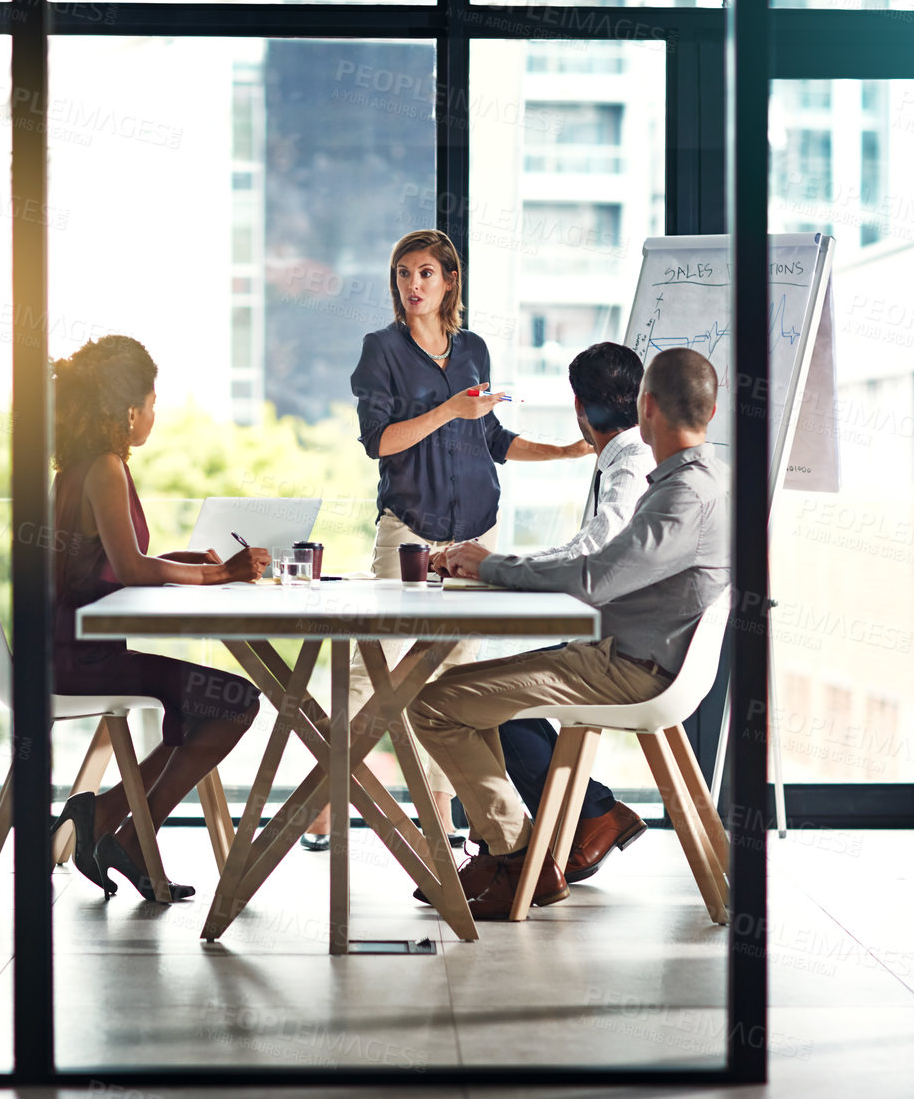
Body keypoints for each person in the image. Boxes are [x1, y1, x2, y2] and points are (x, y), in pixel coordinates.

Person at [409, 347, 730, 920]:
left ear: (646, 405)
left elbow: (595, 576)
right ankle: (520, 847)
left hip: (629, 666)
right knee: (469, 690)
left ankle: (518, 855)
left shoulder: (681, 496)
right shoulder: (712, 481)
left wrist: (488, 565)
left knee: (435, 703)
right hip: (639, 656)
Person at [298, 228, 592, 852]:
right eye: (404, 274)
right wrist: (446, 411)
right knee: (367, 668)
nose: (413, 285)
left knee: (449, 677)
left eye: (425, 273)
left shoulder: (473, 350)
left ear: (450, 280)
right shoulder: (380, 350)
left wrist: (567, 450)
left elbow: (493, 439)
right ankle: (323, 800)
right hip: (408, 532)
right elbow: (380, 441)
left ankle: (440, 821)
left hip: (475, 539)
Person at [48, 335, 271, 902]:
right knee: (234, 701)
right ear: (129, 410)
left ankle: (109, 818)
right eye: (152, 402)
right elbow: (129, 567)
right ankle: (122, 832)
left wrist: (179, 562)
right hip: (82, 661)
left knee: (216, 700)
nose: (154, 414)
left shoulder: (84, 465)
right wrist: (224, 575)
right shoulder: (104, 467)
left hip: (75, 651)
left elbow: (116, 564)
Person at [430, 341, 652, 885]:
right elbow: (589, 549)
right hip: (629, 641)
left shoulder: (629, 463)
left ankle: (519, 849)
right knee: (495, 686)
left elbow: (591, 552)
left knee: (466, 698)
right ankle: (586, 816)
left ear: (580, 407)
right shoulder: (629, 455)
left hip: (623, 652)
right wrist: (494, 563)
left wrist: (492, 563)